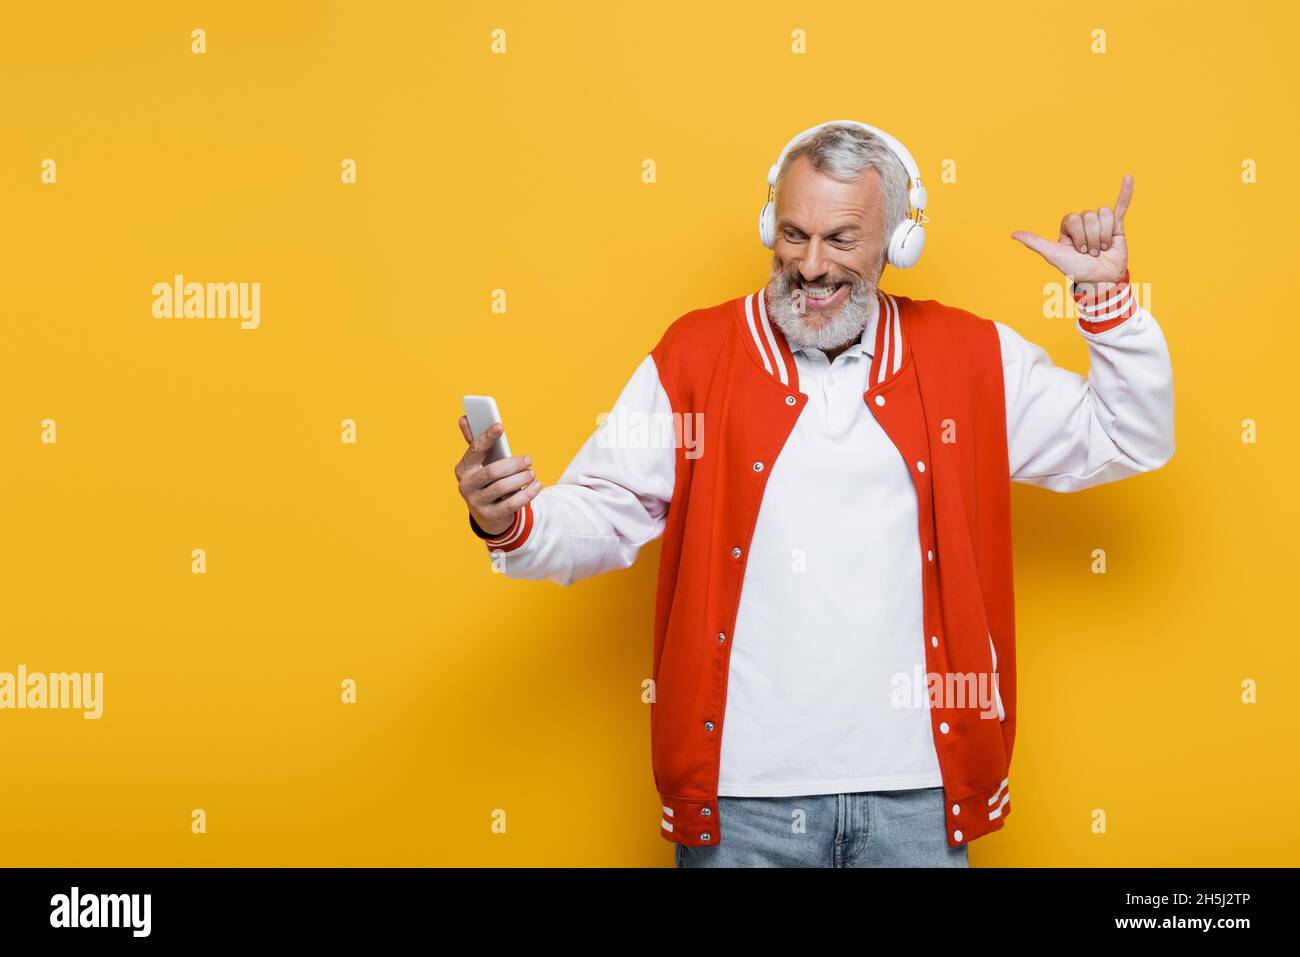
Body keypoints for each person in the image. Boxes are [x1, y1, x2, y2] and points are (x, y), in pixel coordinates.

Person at [453, 121, 1174, 867]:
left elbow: (1128, 435)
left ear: (898, 242)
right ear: (770, 227)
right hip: (742, 804)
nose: (811, 264)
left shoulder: (969, 359)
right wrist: (511, 519)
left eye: (841, 238)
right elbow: (602, 510)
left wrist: (1106, 300)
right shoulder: (697, 357)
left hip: (920, 797)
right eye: (792, 236)